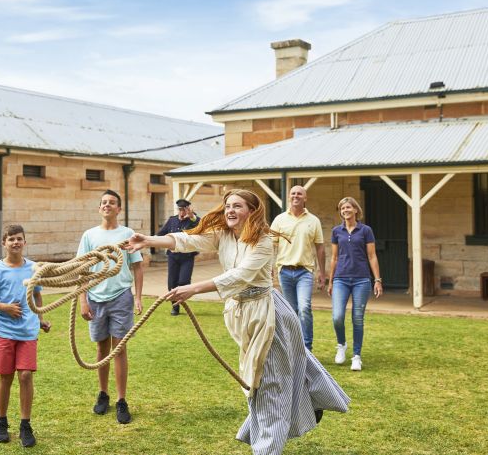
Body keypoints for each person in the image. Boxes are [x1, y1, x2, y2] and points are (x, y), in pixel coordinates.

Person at [126, 189, 349, 455]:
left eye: (238, 206)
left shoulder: (263, 240)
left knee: (269, 383)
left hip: (268, 315)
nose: (230, 210)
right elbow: (187, 241)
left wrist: (193, 288)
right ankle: (308, 399)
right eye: (228, 205)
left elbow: (240, 276)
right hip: (241, 314)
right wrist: (146, 240)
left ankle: (267, 447)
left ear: (252, 211)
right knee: (268, 375)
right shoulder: (222, 234)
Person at [0, 224, 51, 447]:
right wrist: (4, 307)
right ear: (4, 243)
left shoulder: (33, 268)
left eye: (20, 239)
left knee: (26, 375)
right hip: (5, 331)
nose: (16, 242)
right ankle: (1, 422)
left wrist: (41, 319)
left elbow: (36, 295)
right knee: (6, 377)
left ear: (25, 242)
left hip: (28, 331)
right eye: (11, 239)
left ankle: (25, 424)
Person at [77, 189, 143, 424]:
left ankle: (122, 400)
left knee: (120, 349)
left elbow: (137, 266)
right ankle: (103, 393)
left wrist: (137, 297)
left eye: (112, 202)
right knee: (101, 348)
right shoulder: (89, 236)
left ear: (119, 209)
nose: (107, 205)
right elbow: (82, 269)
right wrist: (83, 299)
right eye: (104, 202)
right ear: (99, 208)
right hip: (95, 297)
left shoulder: (128, 234)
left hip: (121, 297)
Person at [327, 196, 383, 372]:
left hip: (361, 279)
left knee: (357, 318)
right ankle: (341, 344)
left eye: (348, 207)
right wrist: (330, 281)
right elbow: (334, 258)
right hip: (341, 279)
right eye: (342, 208)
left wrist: (377, 280)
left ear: (356, 210)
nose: (345, 210)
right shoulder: (337, 231)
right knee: (337, 317)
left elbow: (372, 256)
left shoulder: (366, 230)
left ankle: (356, 356)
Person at [270, 185, 326, 351]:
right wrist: (269, 266)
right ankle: (294, 347)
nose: (296, 196)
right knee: (290, 311)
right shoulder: (279, 219)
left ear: (305, 198)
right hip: (284, 271)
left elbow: (320, 248)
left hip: (305, 272)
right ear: (289, 197)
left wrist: (323, 273)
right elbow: (271, 245)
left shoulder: (313, 220)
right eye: (293, 193)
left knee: (304, 308)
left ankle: (307, 348)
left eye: (299, 194)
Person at [157, 198, 200, 315]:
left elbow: (200, 226)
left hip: (187, 257)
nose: (181, 212)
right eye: (180, 209)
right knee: (172, 283)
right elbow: (161, 233)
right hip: (173, 256)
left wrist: (192, 217)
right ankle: (175, 307)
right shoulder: (172, 220)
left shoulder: (193, 220)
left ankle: (181, 299)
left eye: (184, 210)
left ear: (188, 209)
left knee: (183, 281)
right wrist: (147, 239)